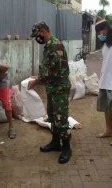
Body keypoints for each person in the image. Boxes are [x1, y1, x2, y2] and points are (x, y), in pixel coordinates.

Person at [28, 22, 72, 164]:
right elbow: (47, 67)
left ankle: (66, 148)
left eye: (38, 35)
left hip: (59, 88)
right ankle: (55, 142)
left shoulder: (55, 45)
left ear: (44, 31)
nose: (37, 38)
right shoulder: (48, 46)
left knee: (60, 118)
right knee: (53, 117)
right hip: (52, 88)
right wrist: (39, 78)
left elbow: (54, 71)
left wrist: (38, 81)